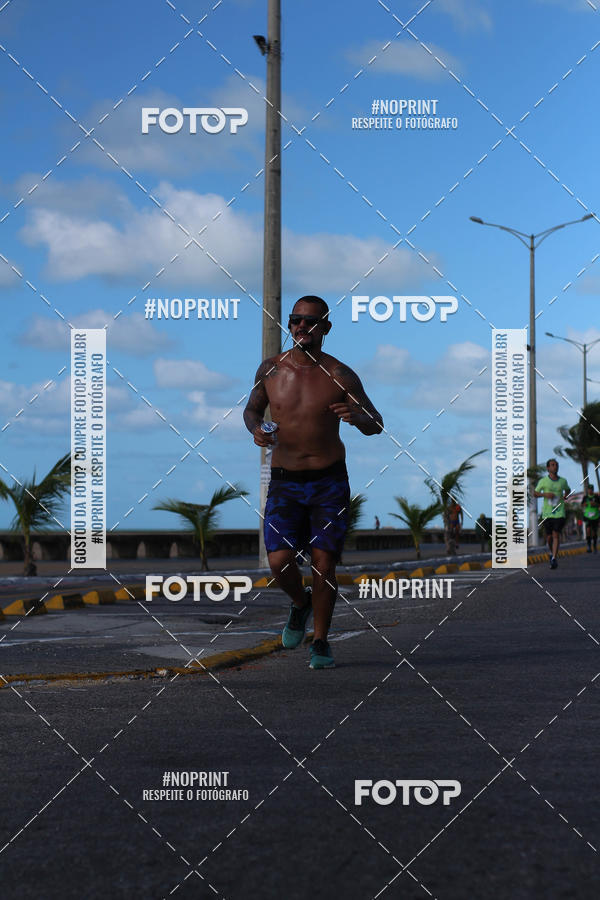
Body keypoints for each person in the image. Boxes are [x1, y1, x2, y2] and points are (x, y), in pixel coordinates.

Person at [243, 295, 383, 669]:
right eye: (295, 321)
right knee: (279, 561)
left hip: (328, 482)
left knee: (324, 564)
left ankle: (320, 641)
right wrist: (256, 429)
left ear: (325, 327)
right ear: (289, 326)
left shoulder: (340, 375)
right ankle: (300, 604)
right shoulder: (271, 370)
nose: (301, 327)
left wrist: (357, 415)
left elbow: (376, 423)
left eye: (310, 321)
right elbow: (252, 408)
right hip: (284, 480)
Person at [534, 458, 571, 569]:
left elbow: (567, 490)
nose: (555, 466)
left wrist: (565, 496)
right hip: (547, 514)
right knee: (549, 537)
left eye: (556, 465)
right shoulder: (543, 481)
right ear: (548, 468)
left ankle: (554, 558)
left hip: (559, 512)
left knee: (556, 534)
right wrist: (545, 495)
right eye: (552, 465)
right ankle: (551, 553)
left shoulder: (563, 481)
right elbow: (535, 493)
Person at [581, 484, 600, 553]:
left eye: (591, 489)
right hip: (587, 516)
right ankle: (589, 546)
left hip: (595, 516)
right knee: (588, 530)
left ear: (593, 489)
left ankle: (594, 545)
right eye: (589, 489)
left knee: (594, 532)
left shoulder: (596, 497)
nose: (590, 490)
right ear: (587, 490)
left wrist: (595, 504)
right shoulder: (585, 497)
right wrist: (584, 505)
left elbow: (599, 504)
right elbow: (582, 504)